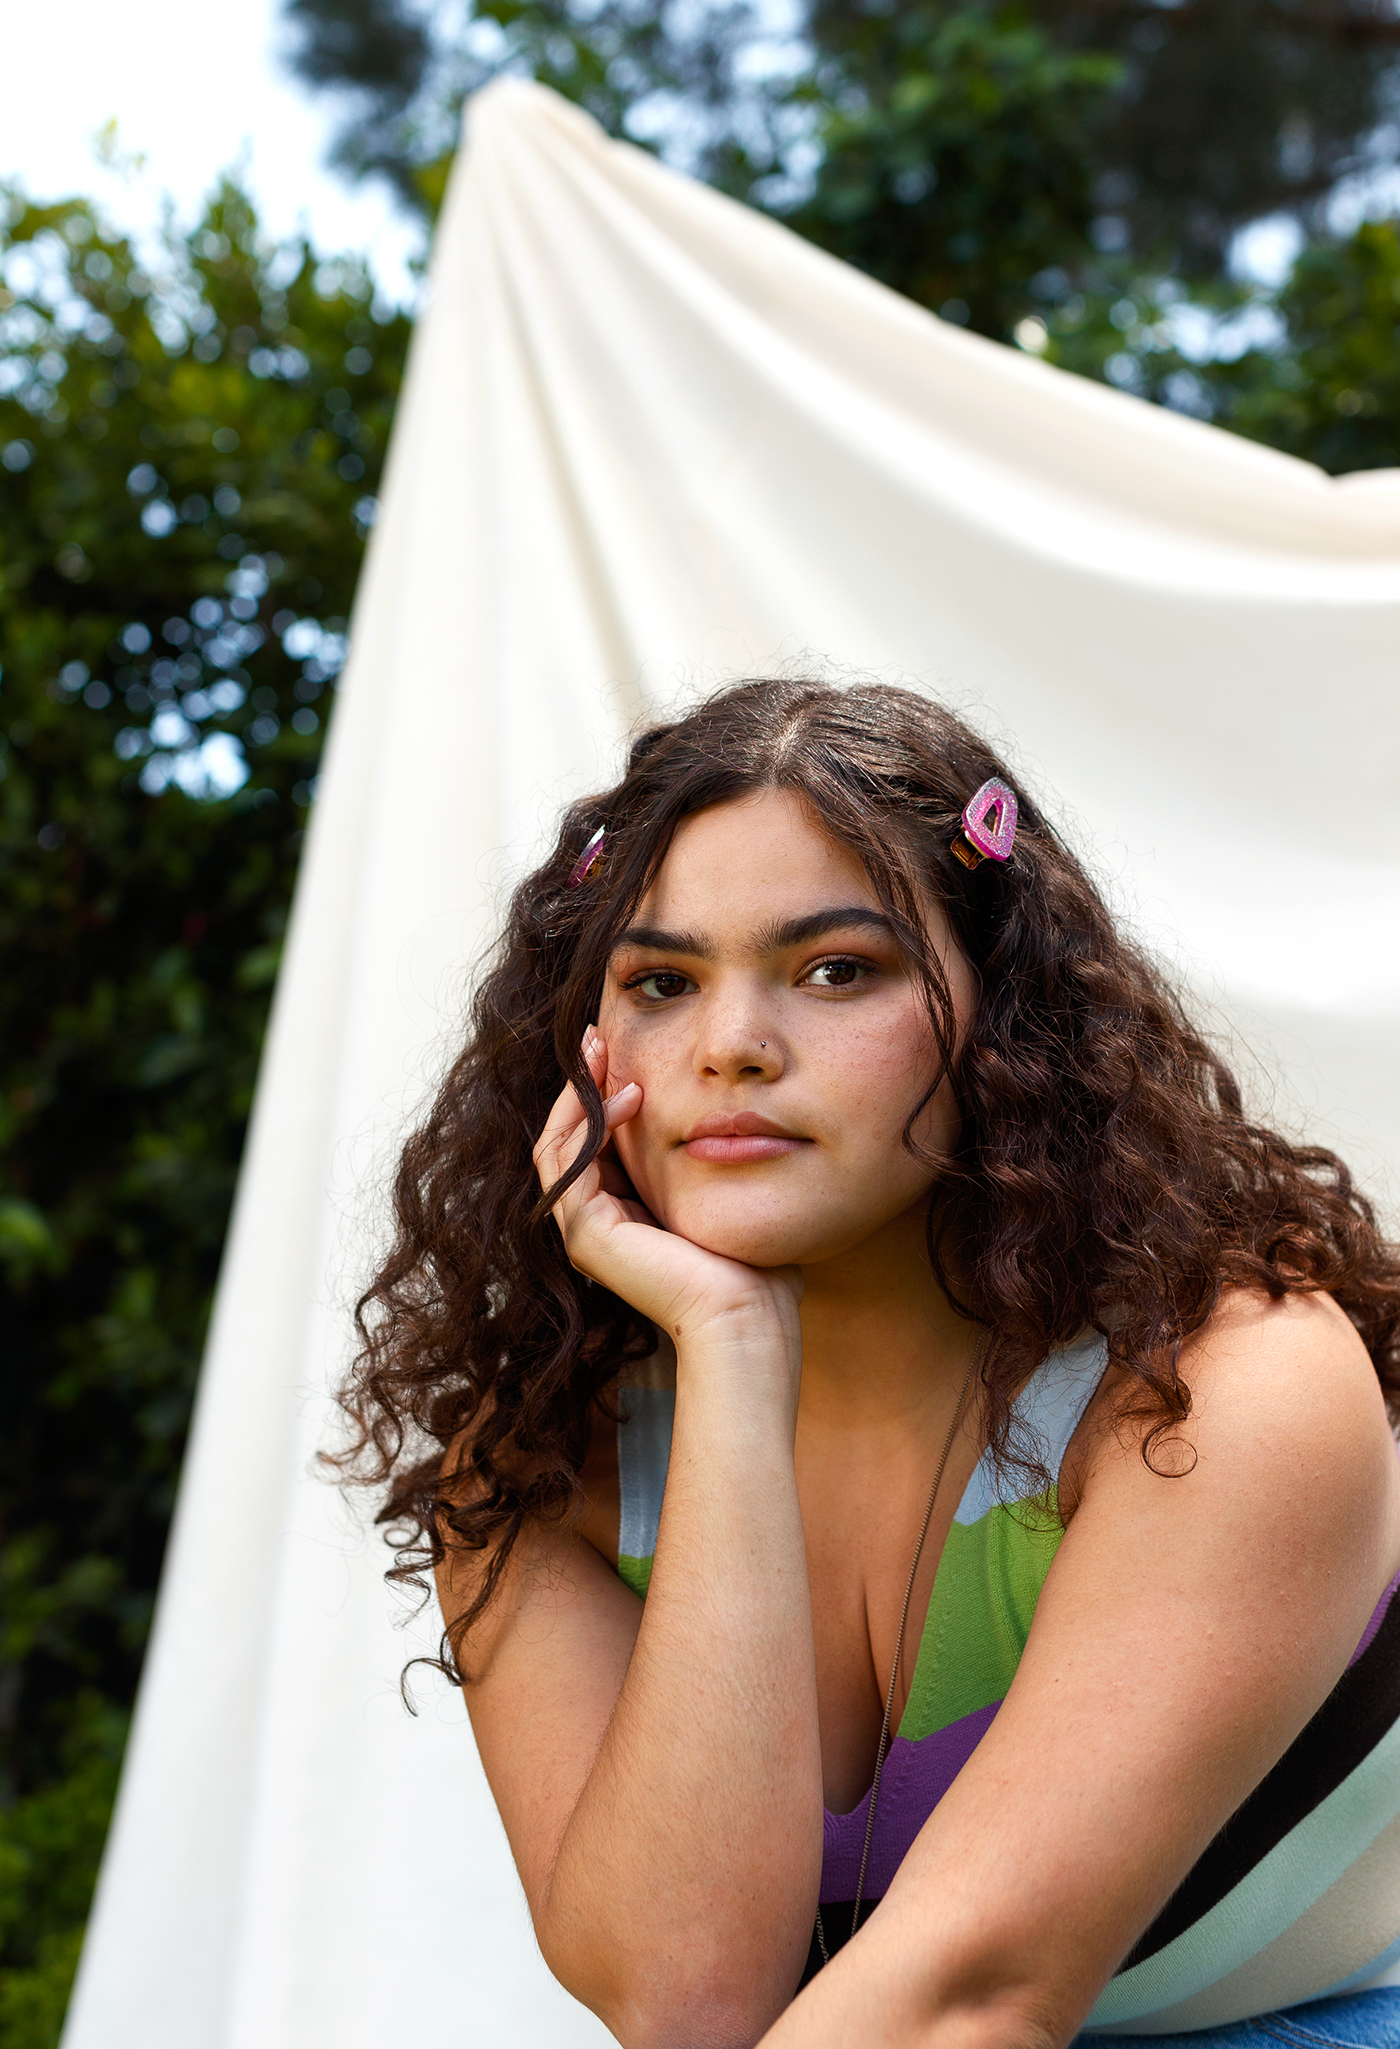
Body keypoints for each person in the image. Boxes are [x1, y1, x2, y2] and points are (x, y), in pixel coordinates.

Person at [339, 679, 1400, 2049]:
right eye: (661, 983)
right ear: (582, 1053)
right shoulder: (550, 1465)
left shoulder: (1222, 1385)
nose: (732, 1046)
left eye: (839, 969)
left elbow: (969, 2001)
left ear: (1001, 1019)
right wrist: (727, 1351)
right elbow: (689, 2003)